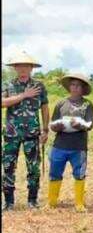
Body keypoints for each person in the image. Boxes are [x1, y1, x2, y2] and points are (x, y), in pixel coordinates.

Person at [1, 52, 49, 210]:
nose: (23, 69)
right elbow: (2, 103)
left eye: (26, 66)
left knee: (33, 167)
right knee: (8, 166)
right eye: (20, 66)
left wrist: (45, 129)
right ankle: (8, 202)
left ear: (31, 68)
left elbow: (44, 107)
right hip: (11, 133)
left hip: (32, 133)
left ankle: (32, 200)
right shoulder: (8, 85)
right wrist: (23, 95)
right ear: (15, 68)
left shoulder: (39, 86)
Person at [47, 73, 93, 212]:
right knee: (55, 172)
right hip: (59, 145)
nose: (75, 88)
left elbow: (90, 124)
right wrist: (56, 126)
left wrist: (79, 125)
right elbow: (53, 124)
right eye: (73, 85)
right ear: (69, 87)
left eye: (78, 85)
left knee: (79, 173)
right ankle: (51, 202)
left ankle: (79, 203)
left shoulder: (87, 104)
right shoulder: (61, 103)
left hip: (78, 146)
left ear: (83, 88)